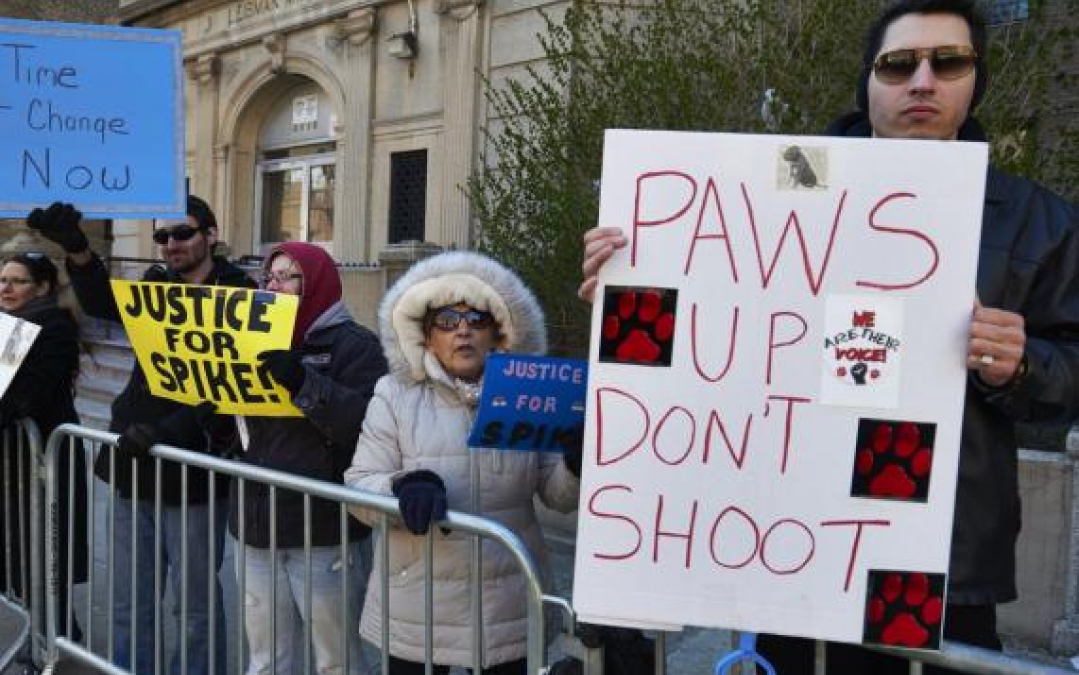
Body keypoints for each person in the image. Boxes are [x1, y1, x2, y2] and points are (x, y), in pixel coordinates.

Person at [579, 1, 1079, 672]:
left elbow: (1069, 378)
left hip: (935, 556)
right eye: (899, 64)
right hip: (789, 545)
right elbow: (718, 332)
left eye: (948, 61)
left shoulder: (1037, 222)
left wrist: (1022, 365)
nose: (923, 81)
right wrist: (629, 281)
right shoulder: (776, 189)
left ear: (975, 79)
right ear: (868, 82)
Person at [29, 198, 253, 675]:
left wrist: (174, 430)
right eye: (162, 236)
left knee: (193, 605)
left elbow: (236, 386)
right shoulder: (157, 285)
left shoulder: (240, 292)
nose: (171, 244)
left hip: (195, 473)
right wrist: (78, 250)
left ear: (211, 236)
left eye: (183, 233)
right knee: (131, 597)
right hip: (132, 461)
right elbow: (103, 302)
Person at [345, 251, 583, 675]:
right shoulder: (393, 394)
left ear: (497, 331)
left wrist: (577, 464)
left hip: (506, 604)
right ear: (426, 334)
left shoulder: (530, 395)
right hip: (417, 605)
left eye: (476, 320)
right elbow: (360, 488)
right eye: (447, 321)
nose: (463, 332)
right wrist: (400, 489)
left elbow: (558, 495)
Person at [233, 242, 386, 675]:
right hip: (256, 523)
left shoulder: (356, 346)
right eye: (271, 278)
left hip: (323, 530)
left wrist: (303, 381)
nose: (275, 286)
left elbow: (364, 425)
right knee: (266, 658)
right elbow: (240, 432)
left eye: (288, 276)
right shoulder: (252, 339)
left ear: (315, 281)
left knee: (335, 659)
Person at [0, 252, 90, 645]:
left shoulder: (55, 327)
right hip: (16, 454)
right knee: (23, 550)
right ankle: (40, 635)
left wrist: (0, 414)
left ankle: (61, 644)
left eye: (18, 281)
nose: (6, 288)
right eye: (2, 280)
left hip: (48, 454)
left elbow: (35, 389)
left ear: (42, 287)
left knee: (48, 551)